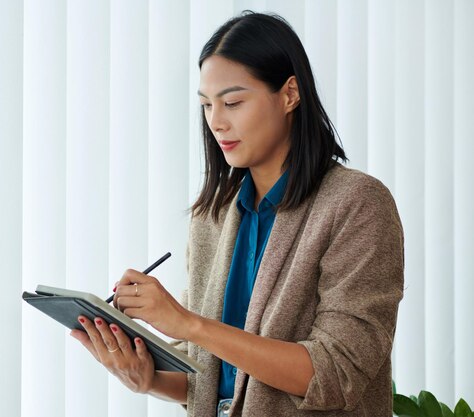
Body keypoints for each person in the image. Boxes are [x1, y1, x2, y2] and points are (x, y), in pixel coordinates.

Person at [70, 11, 404, 417]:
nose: (216, 122)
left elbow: (335, 373)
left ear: (289, 94)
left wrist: (189, 323)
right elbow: (209, 377)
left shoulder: (358, 203)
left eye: (232, 102)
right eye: (207, 105)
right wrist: (147, 378)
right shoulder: (212, 217)